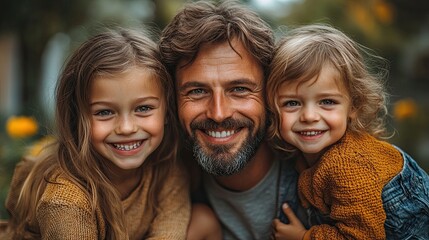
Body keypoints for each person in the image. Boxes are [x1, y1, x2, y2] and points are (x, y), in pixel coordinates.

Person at [3, 28, 190, 239]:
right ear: (77, 117)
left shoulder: (167, 171)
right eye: (105, 112)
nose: (126, 128)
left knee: (203, 221)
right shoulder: (66, 199)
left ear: (167, 109)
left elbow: (170, 233)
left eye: (144, 108)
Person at [159, 1, 307, 239]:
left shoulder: (339, 180)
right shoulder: (163, 189)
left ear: (270, 93)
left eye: (239, 89)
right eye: (197, 91)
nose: (219, 113)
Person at [267, 24, 429, 240]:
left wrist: (304, 237)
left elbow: (361, 236)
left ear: (353, 106)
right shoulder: (308, 157)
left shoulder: (347, 164)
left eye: (327, 101)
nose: (309, 116)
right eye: (292, 103)